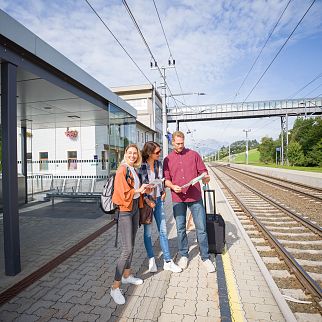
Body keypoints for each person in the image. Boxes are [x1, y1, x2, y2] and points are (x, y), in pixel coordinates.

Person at [163, 131, 216, 273]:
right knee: (180, 229)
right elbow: (166, 180)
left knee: (201, 228)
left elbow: (204, 172)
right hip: (178, 198)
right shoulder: (167, 159)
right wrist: (173, 186)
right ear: (172, 142)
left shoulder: (194, 155)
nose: (180, 146)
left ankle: (205, 257)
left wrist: (206, 178)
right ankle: (184, 255)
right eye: (177, 143)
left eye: (182, 143)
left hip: (195, 196)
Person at [110, 144, 150, 305]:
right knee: (126, 249)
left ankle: (127, 276)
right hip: (125, 210)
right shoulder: (122, 169)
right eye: (130, 153)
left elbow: (134, 189)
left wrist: (144, 189)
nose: (133, 155)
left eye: (135, 153)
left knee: (131, 245)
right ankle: (114, 287)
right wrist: (138, 191)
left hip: (134, 208)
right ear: (125, 154)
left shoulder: (133, 168)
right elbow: (121, 193)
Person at [138, 141, 182, 273]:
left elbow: (161, 179)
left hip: (158, 201)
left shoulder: (158, 164)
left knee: (163, 231)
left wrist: (163, 192)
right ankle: (151, 260)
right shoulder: (141, 165)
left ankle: (168, 261)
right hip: (147, 203)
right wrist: (147, 200)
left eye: (160, 152)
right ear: (149, 153)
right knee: (148, 233)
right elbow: (140, 185)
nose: (159, 154)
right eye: (157, 152)